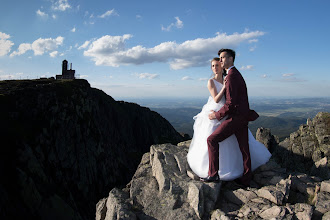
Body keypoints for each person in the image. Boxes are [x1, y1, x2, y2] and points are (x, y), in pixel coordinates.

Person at [187, 51, 271, 186]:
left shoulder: (231, 76)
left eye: (222, 58)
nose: (220, 62)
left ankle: (214, 175)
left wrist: (216, 115)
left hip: (234, 117)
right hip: (242, 116)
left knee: (212, 140)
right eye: (218, 60)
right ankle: (246, 178)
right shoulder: (235, 74)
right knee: (244, 148)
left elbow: (230, 104)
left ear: (231, 59)